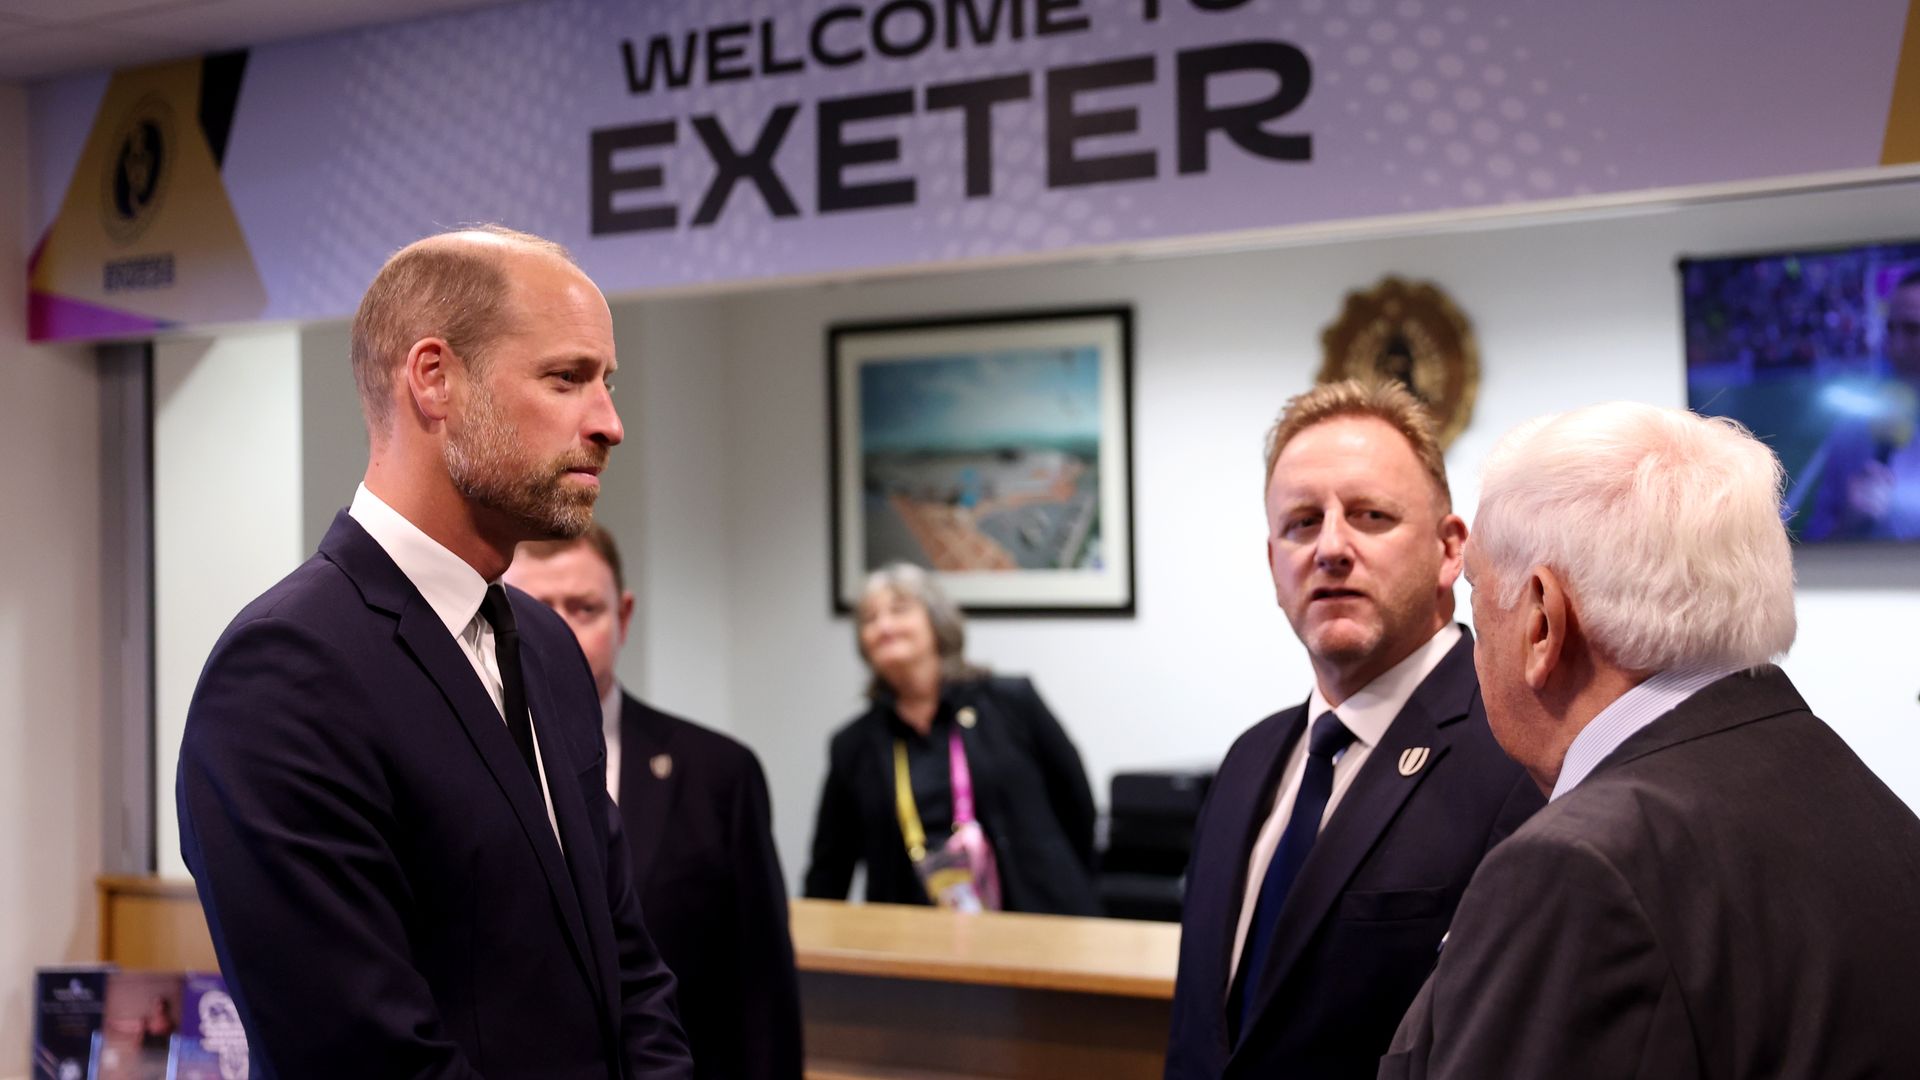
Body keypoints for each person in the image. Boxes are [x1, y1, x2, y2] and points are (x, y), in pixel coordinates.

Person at [176, 226, 693, 1077]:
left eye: (606, 382)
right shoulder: (284, 675)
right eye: (567, 378)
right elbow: (361, 1053)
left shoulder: (553, 650)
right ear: (434, 378)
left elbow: (631, 975)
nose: (610, 424)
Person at [1383, 402, 1920, 1079]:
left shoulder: (1578, 867)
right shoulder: (1857, 794)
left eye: (1477, 595)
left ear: (1543, 622)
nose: (1475, 634)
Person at [1165, 380, 1541, 1080]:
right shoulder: (1249, 762)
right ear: (1272, 561)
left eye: (1370, 515)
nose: (1330, 548)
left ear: (1450, 549)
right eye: (1301, 523)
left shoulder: (1519, 756)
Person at [505, 525, 803, 1080]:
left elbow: (762, 992)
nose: (559, 630)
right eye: (535, 608)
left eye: (584, 608)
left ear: (624, 615)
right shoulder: (463, 762)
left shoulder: (719, 774)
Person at [803, 562, 1101, 915]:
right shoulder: (854, 744)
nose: (884, 627)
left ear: (937, 622)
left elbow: (1076, 805)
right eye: (869, 619)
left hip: (1037, 921)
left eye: (899, 611)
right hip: (913, 940)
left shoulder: (1012, 702)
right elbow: (831, 865)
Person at [1802, 267, 1920, 539]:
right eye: (1892, 329)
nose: (1896, 346)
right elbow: (1815, 543)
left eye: (1914, 330)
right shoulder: (1852, 432)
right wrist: (1848, 525)